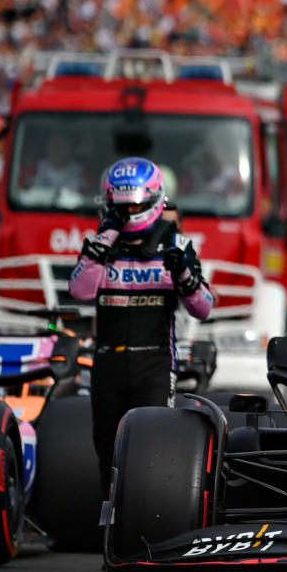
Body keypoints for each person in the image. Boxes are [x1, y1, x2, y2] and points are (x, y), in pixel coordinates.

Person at [69, 157, 215, 491]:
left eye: (136, 205)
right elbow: (79, 290)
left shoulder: (176, 246)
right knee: (108, 450)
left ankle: (148, 523)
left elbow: (204, 308)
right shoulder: (99, 246)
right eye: (122, 206)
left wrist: (185, 277)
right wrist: (106, 236)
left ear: (152, 200)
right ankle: (109, 528)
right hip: (108, 362)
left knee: (151, 446)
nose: (130, 212)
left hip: (155, 363)